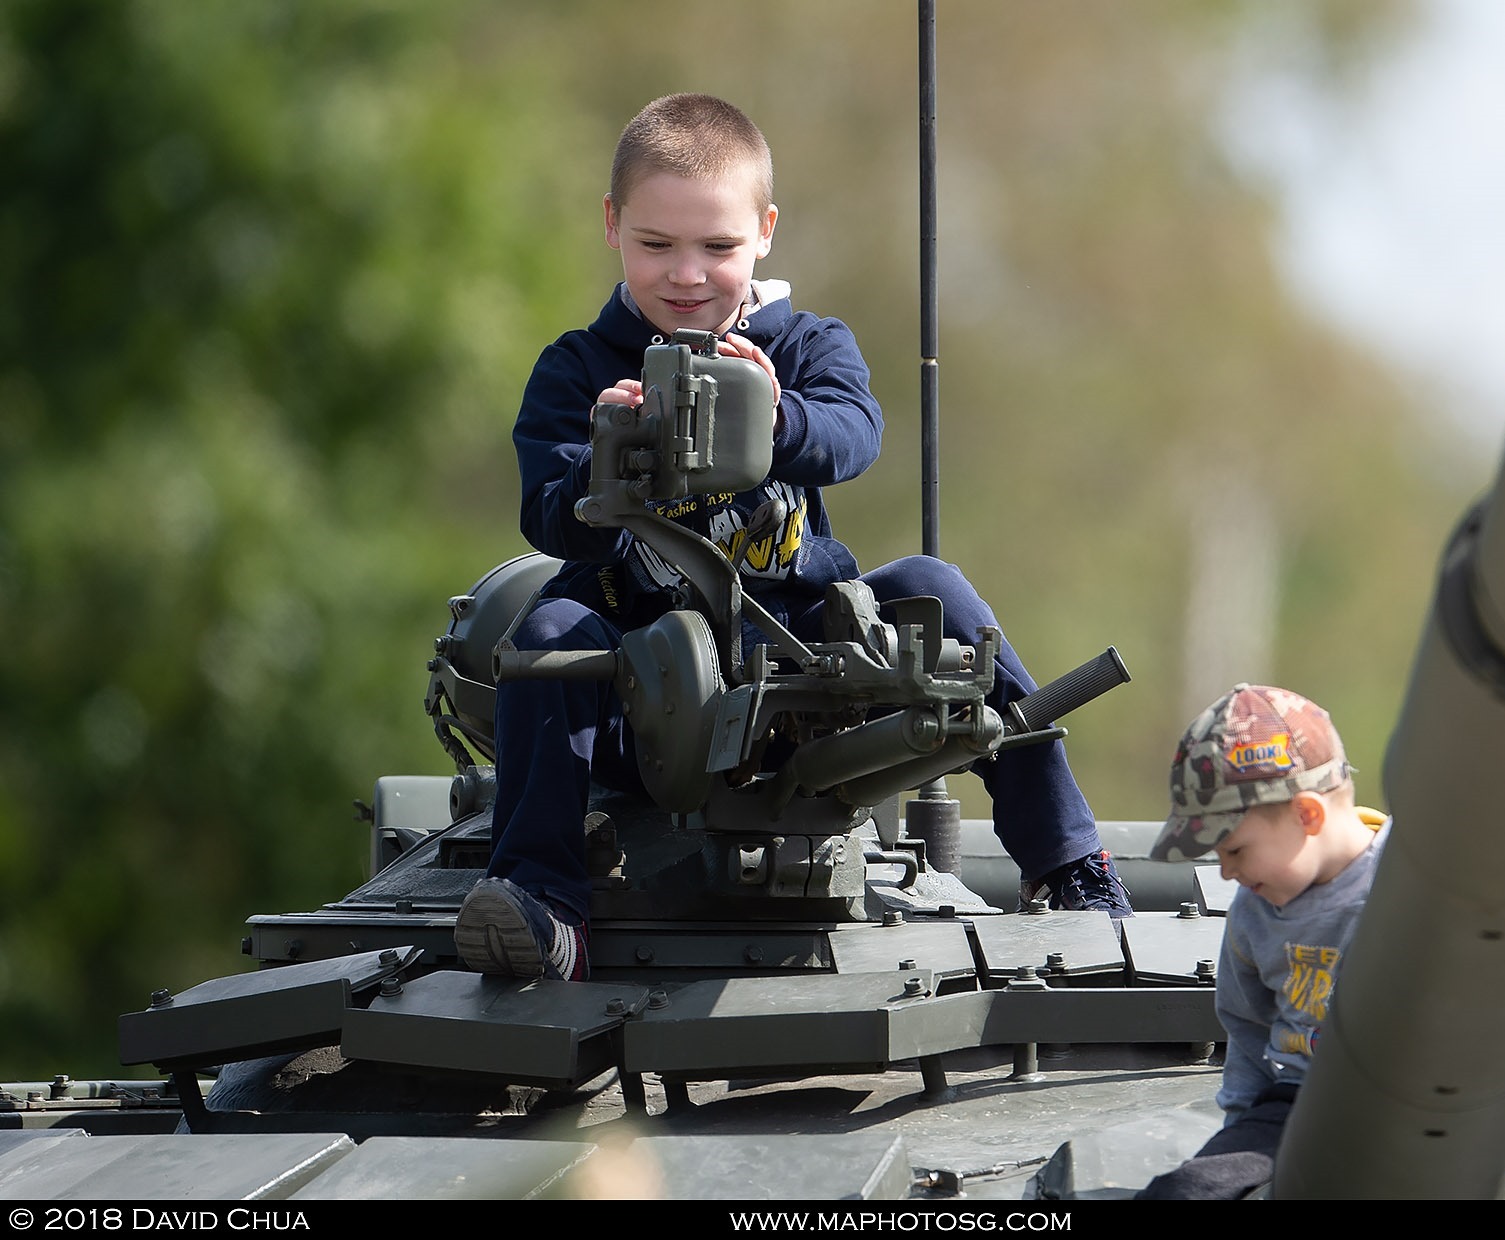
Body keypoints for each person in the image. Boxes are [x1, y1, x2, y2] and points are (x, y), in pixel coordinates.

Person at [454, 93, 1131, 984]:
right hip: (638, 675)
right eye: (657, 245)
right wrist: (603, 467)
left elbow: (857, 435)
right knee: (544, 638)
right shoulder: (578, 367)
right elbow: (545, 512)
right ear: (613, 226)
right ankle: (545, 904)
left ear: (765, 232)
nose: (687, 275)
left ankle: (1071, 868)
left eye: (718, 247)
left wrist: (777, 415)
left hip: (805, 652)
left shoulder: (804, 343)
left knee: (937, 586)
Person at [1137, 683, 1385, 1200]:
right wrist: (1238, 1135)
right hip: (1296, 1104)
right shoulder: (1252, 912)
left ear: (1307, 816)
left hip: (1424, 1107)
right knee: (1184, 1192)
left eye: (1236, 849)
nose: (1226, 872)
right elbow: (1247, 1025)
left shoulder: (1421, 887)